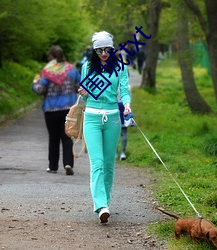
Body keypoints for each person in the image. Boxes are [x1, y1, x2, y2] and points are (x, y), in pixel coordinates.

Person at [78, 31, 131, 223]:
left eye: (106, 49)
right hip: (91, 117)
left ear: (112, 48)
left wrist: (126, 104)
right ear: (94, 50)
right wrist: (83, 92)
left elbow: (124, 90)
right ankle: (100, 204)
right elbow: (84, 96)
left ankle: (105, 201)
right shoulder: (87, 67)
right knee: (97, 163)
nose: (103, 53)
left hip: (113, 118)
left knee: (109, 164)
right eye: (99, 50)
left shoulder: (119, 67)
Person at [32, 45, 80, 175]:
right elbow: (79, 87)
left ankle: (53, 167)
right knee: (67, 136)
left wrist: (35, 83)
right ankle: (68, 163)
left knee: (53, 138)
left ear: (51, 57)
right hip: (68, 109)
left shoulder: (47, 71)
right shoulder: (72, 70)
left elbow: (40, 90)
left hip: (51, 109)